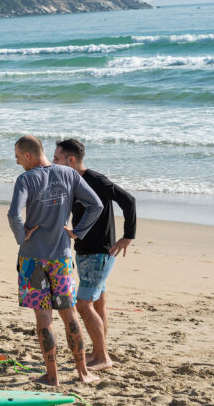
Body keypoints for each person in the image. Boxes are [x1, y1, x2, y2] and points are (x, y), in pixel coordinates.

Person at [8, 135, 104, 386]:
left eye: (18, 157)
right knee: (70, 315)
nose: (18, 163)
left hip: (32, 259)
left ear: (28, 155)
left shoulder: (26, 179)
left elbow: (13, 214)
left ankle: (52, 376)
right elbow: (96, 205)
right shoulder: (69, 174)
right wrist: (78, 232)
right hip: (61, 258)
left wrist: (22, 237)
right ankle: (83, 373)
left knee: (43, 318)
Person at [53, 138, 136, 371]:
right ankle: (99, 352)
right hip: (87, 251)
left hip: (99, 252)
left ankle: (102, 358)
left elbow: (129, 201)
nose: (53, 161)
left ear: (71, 160)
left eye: (57, 158)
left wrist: (128, 236)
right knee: (98, 303)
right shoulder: (71, 180)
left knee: (82, 305)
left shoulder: (95, 180)